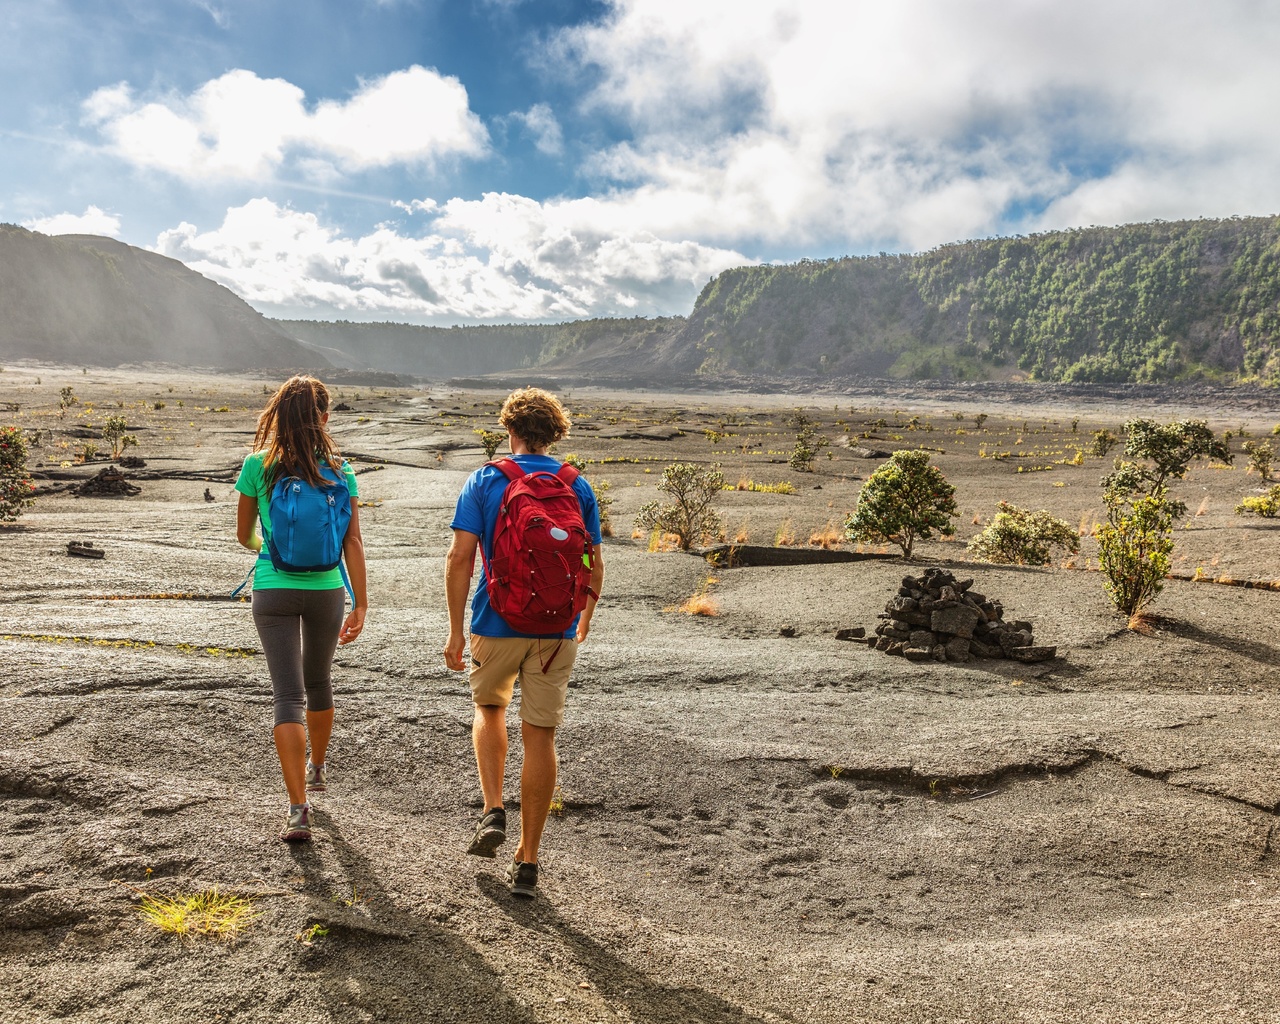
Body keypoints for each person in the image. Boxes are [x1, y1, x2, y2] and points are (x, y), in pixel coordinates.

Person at [444, 387, 603, 898]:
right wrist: (585, 616)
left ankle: (493, 809)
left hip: (495, 624)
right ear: (555, 432)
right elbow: (592, 560)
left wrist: (453, 629)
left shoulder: (486, 479)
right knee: (541, 736)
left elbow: (460, 558)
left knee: (490, 708)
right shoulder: (577, 486)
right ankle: (528, 861)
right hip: (555, 630)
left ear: (508, 429)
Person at [234, 374, 368, 842]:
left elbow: (244, 534)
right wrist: (361, 602)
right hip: (328, 589)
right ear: (324, 418)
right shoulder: (342, 470)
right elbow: (352, 540)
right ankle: (317, 767)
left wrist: (267, 547)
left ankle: (297, 809)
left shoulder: (257, 465)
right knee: (319, 681)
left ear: (279, 417)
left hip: (272, 588)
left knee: (287, 696)